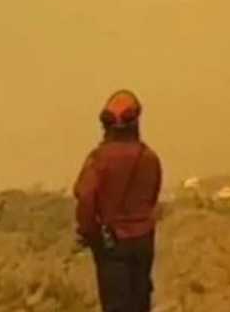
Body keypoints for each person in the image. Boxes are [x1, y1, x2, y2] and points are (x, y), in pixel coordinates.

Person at [73, 90, 163, 312]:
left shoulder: (99, 159)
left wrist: (90, 233)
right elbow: (152, 197)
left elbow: (85, 197)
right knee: (140, 303)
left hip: (112, 244)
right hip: (143, 242)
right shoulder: (149, 158)